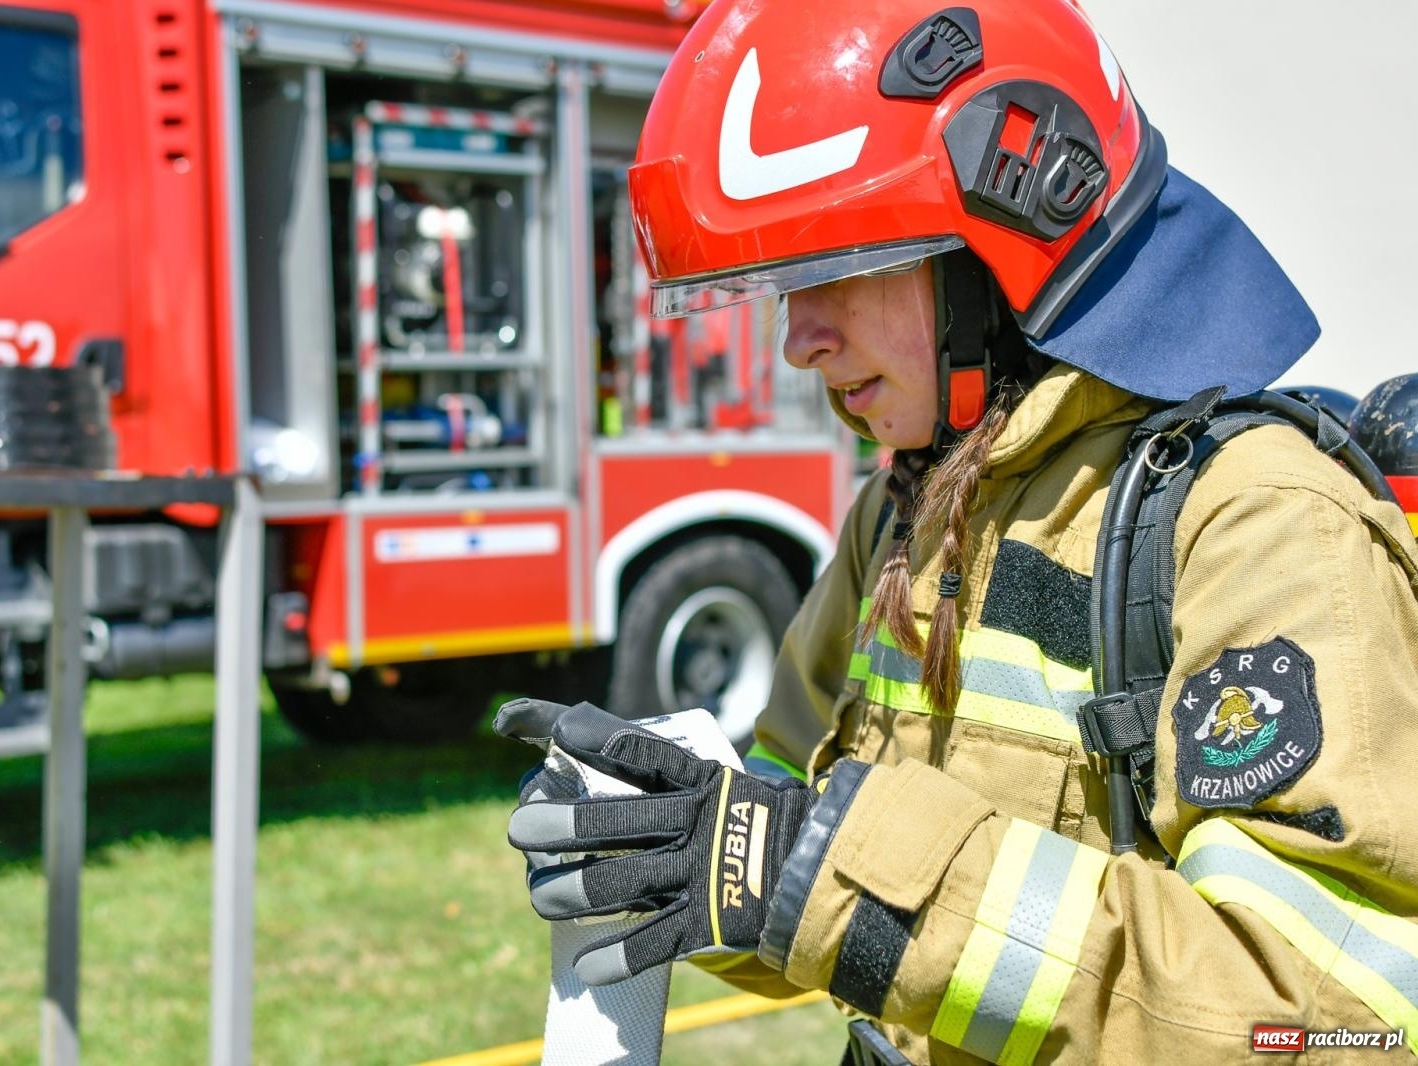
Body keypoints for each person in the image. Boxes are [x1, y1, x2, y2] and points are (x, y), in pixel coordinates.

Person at [496, 0, 1418, 1061]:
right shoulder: (901, 512)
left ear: (1014, 226)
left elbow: (1325, 1015)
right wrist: (673, 841)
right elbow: (797, 863)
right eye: (781, 285)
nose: (797, 340)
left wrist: (811, 867)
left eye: (832, 264)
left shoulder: (1257, 523)